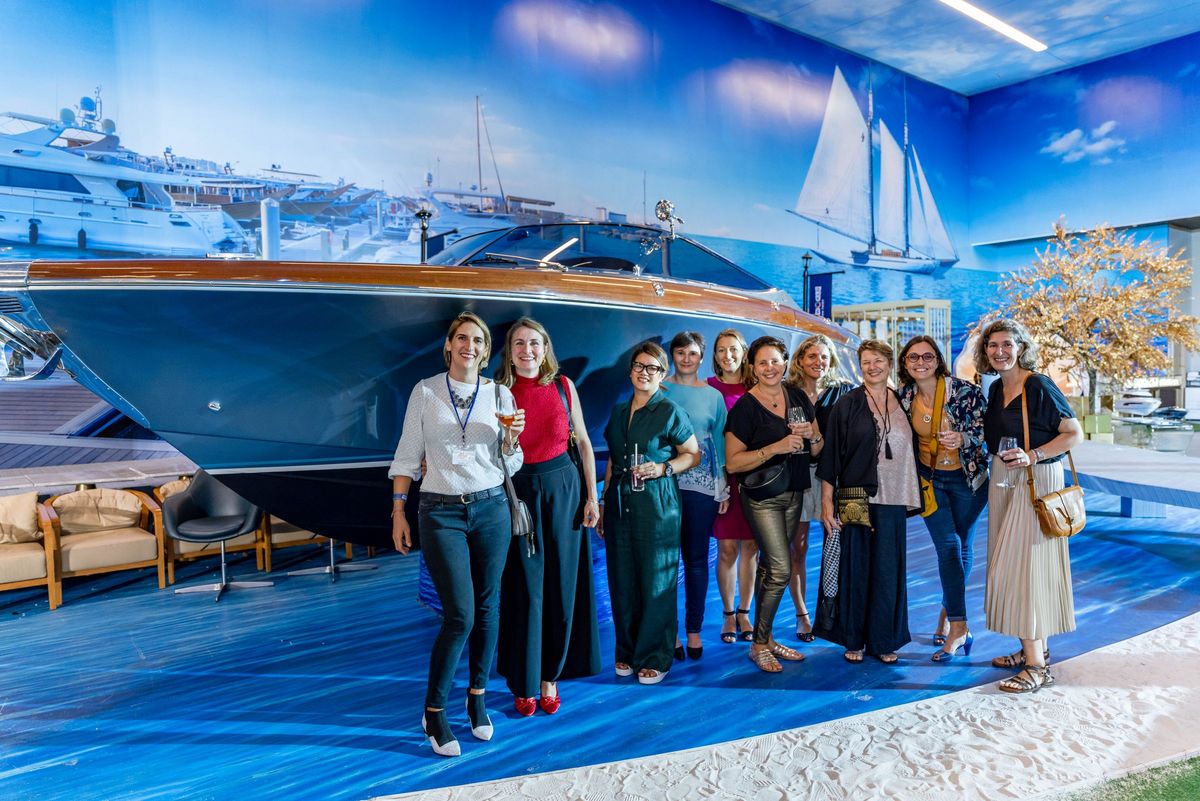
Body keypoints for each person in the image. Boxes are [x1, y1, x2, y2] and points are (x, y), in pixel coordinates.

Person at [390, 311, 525, 758]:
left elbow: (513, 462)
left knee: (488, 609)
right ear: (449, 345)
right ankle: (434, 711)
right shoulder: (426, 391)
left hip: (492, 508)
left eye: (478, 341)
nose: (470, 346)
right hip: (440, 511)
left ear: (486, 351)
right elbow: (407, 454)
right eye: (462, 338)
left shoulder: (500, 394)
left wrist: (511, 441)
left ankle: (477, 698)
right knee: (460, 615)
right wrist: (398, 510)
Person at [495, 318, 601, 717]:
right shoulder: (497, 391)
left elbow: (584, 443)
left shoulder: (564, 386)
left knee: (561, 585)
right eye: (519, 343)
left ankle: (549, 678)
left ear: (545, 348)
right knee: (524, 587)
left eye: (534, 343)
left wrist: (593, 497)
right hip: (518, 493)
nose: (527, 350)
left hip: (565, 491)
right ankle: (524, 680)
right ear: (509, 352)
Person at [975, 318, 1083, 693]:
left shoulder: (1038, 385)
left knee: (1024, 569)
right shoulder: (996, 388)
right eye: (993, 345)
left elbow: (1073, 433)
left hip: (1036, 479)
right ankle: (1033, 651)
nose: (999, 351)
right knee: (1017, 567)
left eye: (1007, 344)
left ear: (1021, 348)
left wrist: (1033, 455)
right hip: (1004, 480)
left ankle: (1037, 667)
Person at [598, 342, 700, 684]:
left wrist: (662, 468)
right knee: (622, 580)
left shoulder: (670, 411)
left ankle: (656, 655)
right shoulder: (617, 412)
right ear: (630, 371)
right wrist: (603, 502)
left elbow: (693, 454)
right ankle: (626, 652)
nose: (644, 373)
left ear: (662, 374)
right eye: (639, 366)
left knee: (657, 581)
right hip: (619, 503)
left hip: (657, 504)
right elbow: (613, 460)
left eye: (652, 368)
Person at [814, 339, 917, 664]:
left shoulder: (904, 401)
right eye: (866, 362)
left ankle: (884, 640)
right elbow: (831, 456)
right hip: (855, 496)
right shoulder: (847, 404)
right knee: (855, 568)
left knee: (888, 569)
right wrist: (827, 502)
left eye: (878, 361)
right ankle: (854, 638)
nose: (872, 367)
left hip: (895, 497)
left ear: (890, 363)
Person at [724, 335, 820, 672]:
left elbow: (817, 447)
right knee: (780, 568)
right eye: (762, 362)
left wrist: (812, 436)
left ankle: (766, 638)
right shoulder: (745, 408)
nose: (770, 368)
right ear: (752, 367)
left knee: (771, 566)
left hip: (794, 491)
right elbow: (733, 463)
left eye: (775, 361)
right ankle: (759, 644)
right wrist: (775, 448)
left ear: (785, 363)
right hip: (762, 497)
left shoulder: (797, 396)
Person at [897, 335, 988, 662]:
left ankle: (949, 615)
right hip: (930, 481)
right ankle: (959, 627)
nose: (920, 363)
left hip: (968, 481)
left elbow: (987, 431)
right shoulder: (904, 396)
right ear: (905, 363)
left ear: (938, 361)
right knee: (948, 547)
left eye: (927, 357)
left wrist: (963, 438)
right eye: (913, 357)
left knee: (963, 548)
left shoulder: (965, 392)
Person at [662, 331, 729, 661]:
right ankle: (670, 632)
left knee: (697, 560)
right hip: (664, 486)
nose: (686, 359)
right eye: (680, 353)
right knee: (666, 562)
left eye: (692, 353)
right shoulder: (660, 388)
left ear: (701, 357)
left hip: (702, 488)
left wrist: (723, 486)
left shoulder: (714, 396)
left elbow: (720, 443)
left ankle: (694, 630)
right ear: (672, 356)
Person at [785, 334, 854, 642]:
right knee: (797, 547)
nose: (818, 361)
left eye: (824, 356)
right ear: (800, 360)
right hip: (797, 474)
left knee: (835, 546)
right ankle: (802, 614)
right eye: (811, 356)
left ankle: (833, 613)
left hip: (833, 477)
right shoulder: (786, 392)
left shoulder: (844, 392)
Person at [707, 329, 758, 644]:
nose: (728, 355)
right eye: (721, 350)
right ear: (715, 356)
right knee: (726, 548)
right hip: (721, 478)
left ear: (743, 352)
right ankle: (728, 613)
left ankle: (744, 611)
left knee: (750, 547)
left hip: (753, 476)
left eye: (733, 349)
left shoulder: (757, 387)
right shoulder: (708, 387)